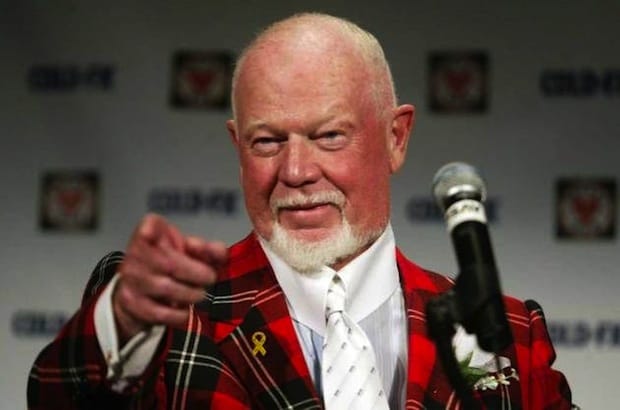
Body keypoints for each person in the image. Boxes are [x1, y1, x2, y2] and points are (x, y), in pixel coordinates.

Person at [28, 12, 573, 410]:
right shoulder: (165, 313)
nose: (295, 171)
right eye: (267, 142)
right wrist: (121, 321)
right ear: (237, 146)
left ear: (396, 138)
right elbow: (60, 396)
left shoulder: (510, 333)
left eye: (329, 136)